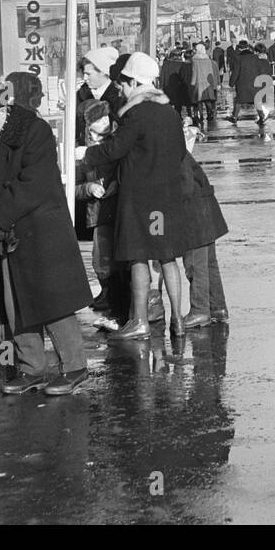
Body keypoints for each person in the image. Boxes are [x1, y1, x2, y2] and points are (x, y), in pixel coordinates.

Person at [0, 82, 93, 396]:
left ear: (2, 110)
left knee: (53, 301)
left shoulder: (35, 132)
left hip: (39, 229)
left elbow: (36, 182)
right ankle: (31, 368)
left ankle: (75, 367)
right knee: (14, 303)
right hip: (5, 230)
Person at [82, 53, 199, 339]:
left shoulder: (136, 114)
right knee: (168, 257)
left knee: (138, 258)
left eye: (123, 83)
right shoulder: (169, 112)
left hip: (140, 198)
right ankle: (177, 321)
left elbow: (115, 150)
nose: (121, 89)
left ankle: (140, 322)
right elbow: (179, 152)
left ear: (134, 81)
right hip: (168, 196)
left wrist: (86, 154)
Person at [74, 99, 127, 329]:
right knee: (101, 261)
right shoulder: (79, 151)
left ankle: (121, 308)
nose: (104, 122)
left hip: (120, 210)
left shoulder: (117, 143)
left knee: (122, 261)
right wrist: (88, 188)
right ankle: (110, 302)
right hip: (97, 213)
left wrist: (117, 184)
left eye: (106, 117)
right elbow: (73, 187)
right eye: (98, 119)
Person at [179, 125, 230, 328]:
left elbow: (184, 187)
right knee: (209, 262)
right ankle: (217, 307)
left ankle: (200, 310)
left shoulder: (170, 152)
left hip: (194, 212)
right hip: (205, 207)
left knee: (195, 263)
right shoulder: (177, 148)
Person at [189, 43, 219, 123]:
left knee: (199, 100)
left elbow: (194, 72)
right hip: (207, 82)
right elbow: (210, 72)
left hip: (199, 81)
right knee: (207, 99)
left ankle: (201, 115)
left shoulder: (195, 60)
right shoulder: (207, 59)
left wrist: (192, 82)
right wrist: (212, 83)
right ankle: (210, 112)